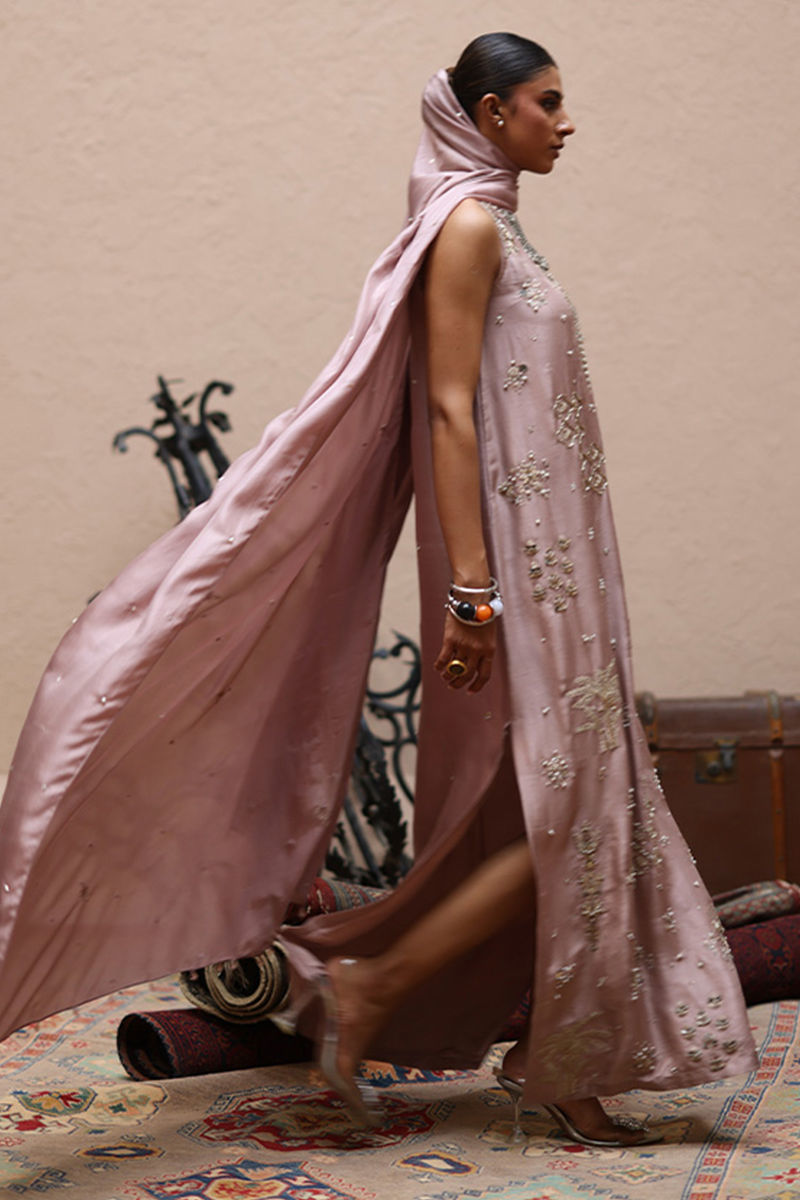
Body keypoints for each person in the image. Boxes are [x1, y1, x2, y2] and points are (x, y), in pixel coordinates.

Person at [0, 33, 756, 1148]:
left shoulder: (497, 225)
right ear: (492, 115)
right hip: (518, 570)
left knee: (558, 806)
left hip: (561, 561)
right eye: (547, 102)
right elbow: (447, 409)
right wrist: (472, 596)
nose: (565, 122)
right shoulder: (465, 228)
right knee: (575, 805)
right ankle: (430, 1012)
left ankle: (463, 1024)